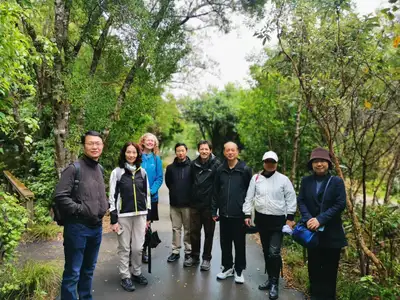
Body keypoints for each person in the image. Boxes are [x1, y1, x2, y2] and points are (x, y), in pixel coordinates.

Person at [54, 131, 108, 300]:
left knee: (88, 269)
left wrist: (105, 206)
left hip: (96, 227)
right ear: (84, 146)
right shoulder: (74, 168)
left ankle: (85, 297)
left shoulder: (99, 168)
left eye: (98, 143)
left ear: (102, 146)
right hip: (77, 227)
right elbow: (60, 196)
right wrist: (81, 209)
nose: (95, 146)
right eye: (91, 143)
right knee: (73, 272)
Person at [243, 151, 297, 300]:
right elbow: (249, 197)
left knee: (274, 252)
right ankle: (270, 278)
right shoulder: (256, 178)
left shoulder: (283, 180)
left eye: (272, 161)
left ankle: (274, 283)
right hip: (262, 221)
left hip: (278, 222)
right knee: (267, 251)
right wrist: (247, 214)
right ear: (263, 162)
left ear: (276, 163)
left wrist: (290, 218)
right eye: (267, 161)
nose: (270, 164)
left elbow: (291, 198)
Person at [297, 147, 347, 300]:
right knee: (313, 267)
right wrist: (309, 219)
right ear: (311, 164)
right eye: (316, 161)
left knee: (330, 270)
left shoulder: (337, 181)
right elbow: (301, 200)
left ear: (328, 163)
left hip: (332, 234)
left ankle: (328, 297)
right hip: (312, 233)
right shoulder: (306, 181)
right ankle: (315, 296)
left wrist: (320, 219)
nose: (319, 164)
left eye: (322, 161)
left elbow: (340, 204)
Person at [109, 142, 151, 292]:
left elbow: (147, 195)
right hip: (123, 216)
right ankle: (125, 276)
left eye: (134, 153)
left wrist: (148, 216)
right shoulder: (117, 172)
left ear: (138, 155)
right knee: (124, 247)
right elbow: (112, 196)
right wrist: (113, 219)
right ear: (124, 153)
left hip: (140, 215)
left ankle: (136, 272)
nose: (131, 155)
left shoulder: (143, 172)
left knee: (138, 247)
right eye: (129, 152)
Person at [212, 141, 252, 284]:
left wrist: (248, 214)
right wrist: (214, 210)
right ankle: (227, 267)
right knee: (225, 243)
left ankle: (239, 270)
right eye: (227, 150)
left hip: (239, 215)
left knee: (239, 243)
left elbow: (250, 192)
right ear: (224, 152)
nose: (230, 152)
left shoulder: (245, 169)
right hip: (224, 214)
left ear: (237, 152)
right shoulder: (220, 169)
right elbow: (215, 191)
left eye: (233, 150)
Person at [186, 140, 220, 270]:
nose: (204, 151)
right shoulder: (193, 164)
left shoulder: (217, 165)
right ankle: (195, 257)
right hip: (195, 205)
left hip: (209, 206)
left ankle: (206, 259)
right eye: (202, 149)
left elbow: (218, 187)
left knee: (209, 233)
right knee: (194, 233)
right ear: (198, 150)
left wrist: (215, 207)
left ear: (210, 150)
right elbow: (189, 183)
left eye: (206, 149)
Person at [138, 133, 163, 263]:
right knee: (136, 225)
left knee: (146, 226)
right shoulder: (137, 156)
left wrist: (151, 191)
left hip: (151, 198)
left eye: (152, 141)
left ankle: (143, 251)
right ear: (143, 142)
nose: (150, 142)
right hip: (137, 197)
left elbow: (159, 178)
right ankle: (133, 251)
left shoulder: (156, 159)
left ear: (155, 144)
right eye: (148, 140)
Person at [165, 143, 192, 265]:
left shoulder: (192, 166)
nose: (180, 153)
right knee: (176, 228)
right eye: (178, 151)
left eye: (182, 150)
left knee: (188, 229)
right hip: (174, 204)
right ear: (175, 152)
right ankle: (175, 251)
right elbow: (168, 183)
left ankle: (188, 252)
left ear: (186, 151)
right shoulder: (170, 168)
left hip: (188, 204)